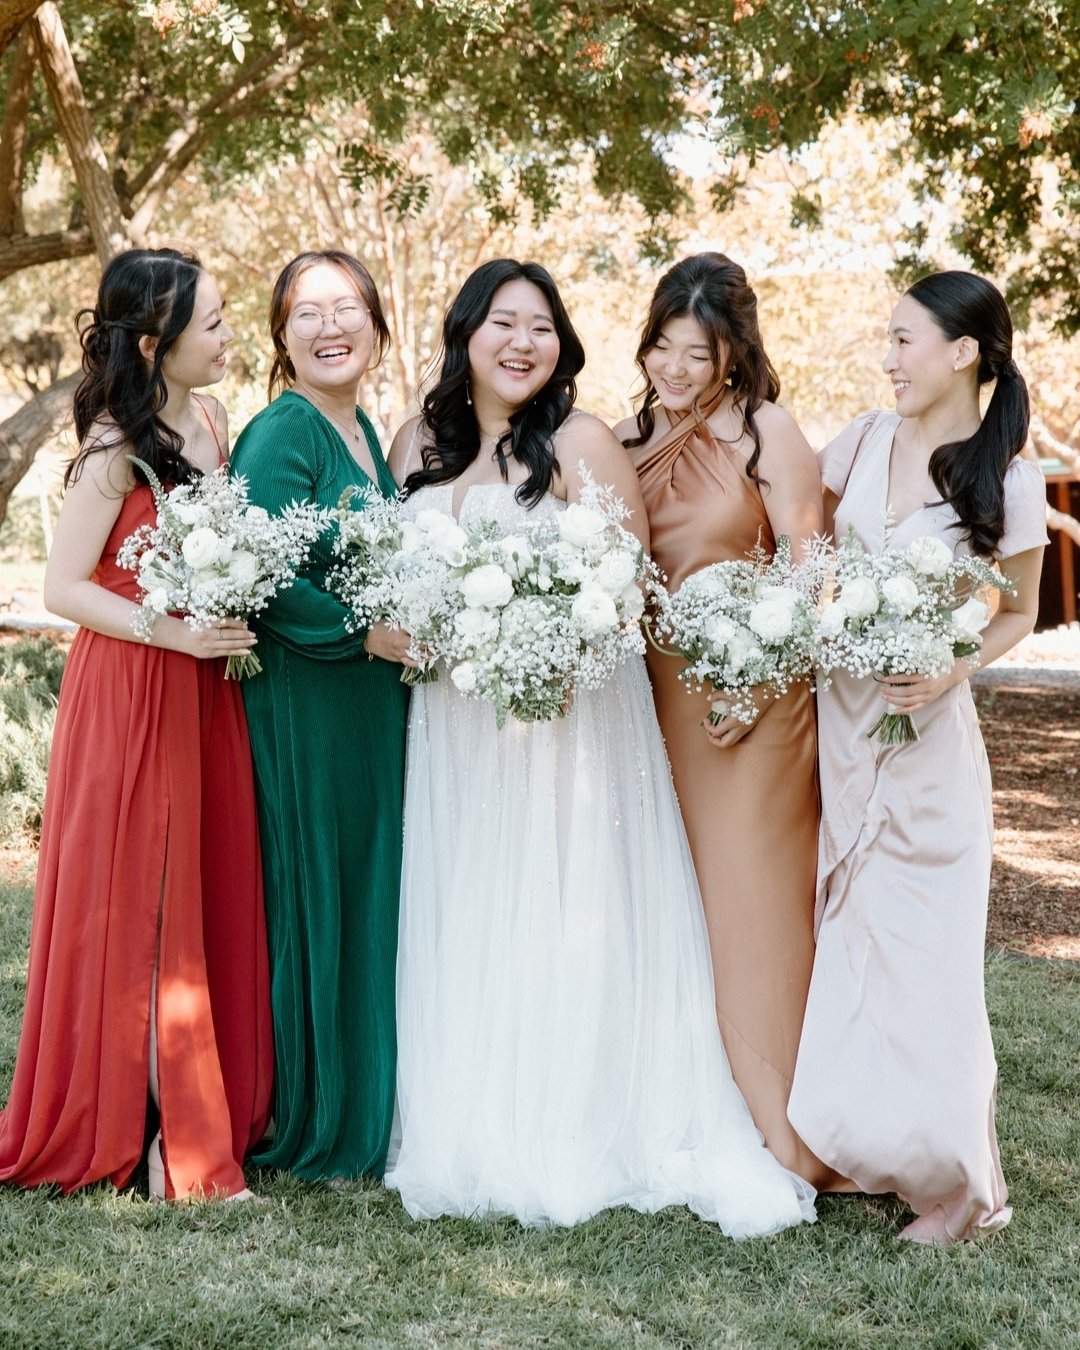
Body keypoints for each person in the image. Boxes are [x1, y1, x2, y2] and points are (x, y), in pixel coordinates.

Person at [382, 258, 816, 1235]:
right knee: (473, 902)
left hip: (562, 718)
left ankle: (578, 1114)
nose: (522, 341)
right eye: (503, 322)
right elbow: (387, 578)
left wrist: (531, 636)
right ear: (466, 332)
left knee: (563, 900)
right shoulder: (418, 438)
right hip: (454, 725)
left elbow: (625, 587)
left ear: (564, 345)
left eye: (542, 326)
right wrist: (396, 628)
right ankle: (475, 1112)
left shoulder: (581, 441)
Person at [0, 247, 272, 1200]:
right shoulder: (114, 449)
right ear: (158, 341)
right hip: (134, 686)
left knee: (197, 887)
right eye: (216, 322)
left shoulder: (210, 418)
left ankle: (185, 1117)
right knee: (143, 899)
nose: (232, 335)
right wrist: (173, 631)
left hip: (207, 686)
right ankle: (165, 1138)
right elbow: (62, 586)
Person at [787, 271, 1048, 1243]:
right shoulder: (859, 440)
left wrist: (947, 669)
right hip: (845, 734)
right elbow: (803, 544)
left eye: (904, 340)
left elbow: (1017, 612)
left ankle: (963, 1191)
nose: (888, 360)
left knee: (928, 957)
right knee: (855, 945)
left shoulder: (1008, 479)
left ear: (962, 352)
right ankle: (871, 1150)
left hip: (931, 746)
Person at [616, 252, 834, 1186]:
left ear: (732, 354)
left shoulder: (766, 434)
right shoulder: (619, 440)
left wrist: (753, 677)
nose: (673, 369)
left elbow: (809, 568)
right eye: (661, 347)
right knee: (669, 905)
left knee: (752, 909)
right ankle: (685, 1107)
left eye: (695, 354)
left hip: (757, 702)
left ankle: (787, 1129)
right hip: (651, 703)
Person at [229, 250, 411, 1181]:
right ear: (282, 336)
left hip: (370, 698)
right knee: (321, 889)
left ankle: (371, 1104)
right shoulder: (282, 432)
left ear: (377, 325)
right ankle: (324, 1116)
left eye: (348, 309)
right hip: (312, 690)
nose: (331, 327)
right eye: (309, 313)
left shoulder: (363, 431)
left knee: (368, 885)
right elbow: (257, 573)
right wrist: (358, 632)